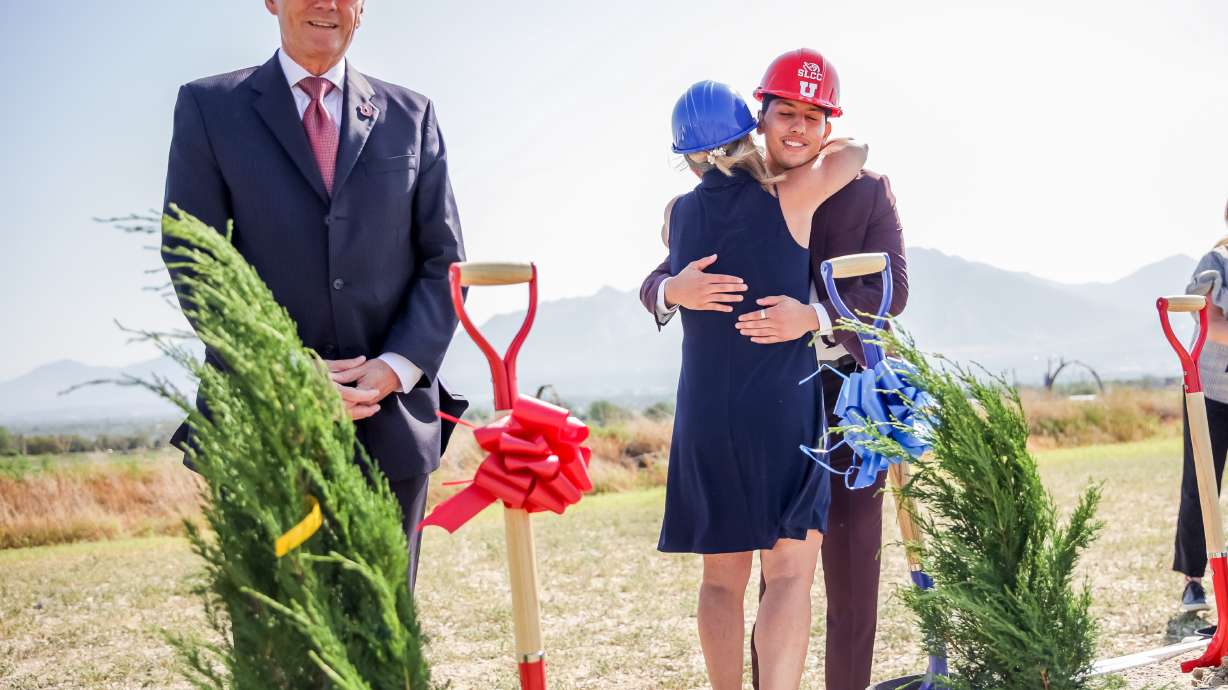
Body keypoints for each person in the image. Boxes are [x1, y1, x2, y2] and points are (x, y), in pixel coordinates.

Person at [161, 0, 466, 593]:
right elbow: (195, 258)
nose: (326, 3)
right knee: (279, 640)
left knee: (384, 639)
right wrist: (285, 370)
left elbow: (443, 261)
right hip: (263, 424)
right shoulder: (208, 108)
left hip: (388, 424)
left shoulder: (412, 114)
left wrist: (394, 368)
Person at [639, 49, 908, 690]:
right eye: (785, 113)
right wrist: (669, 291)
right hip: (782, 404)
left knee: (720, 578)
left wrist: (813, 317)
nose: (798, 127)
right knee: (790, 573)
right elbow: (856, 150)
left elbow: (890, 292)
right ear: (754, 122)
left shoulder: (677, 212)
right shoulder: (795, 193)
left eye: (814, 116)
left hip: (708, 408)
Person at [1173, 205, 1228, 612]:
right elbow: (1212, 325)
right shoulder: (1216, 263)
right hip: (1207, 393)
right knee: (1201, 488)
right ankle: (1193, 581)